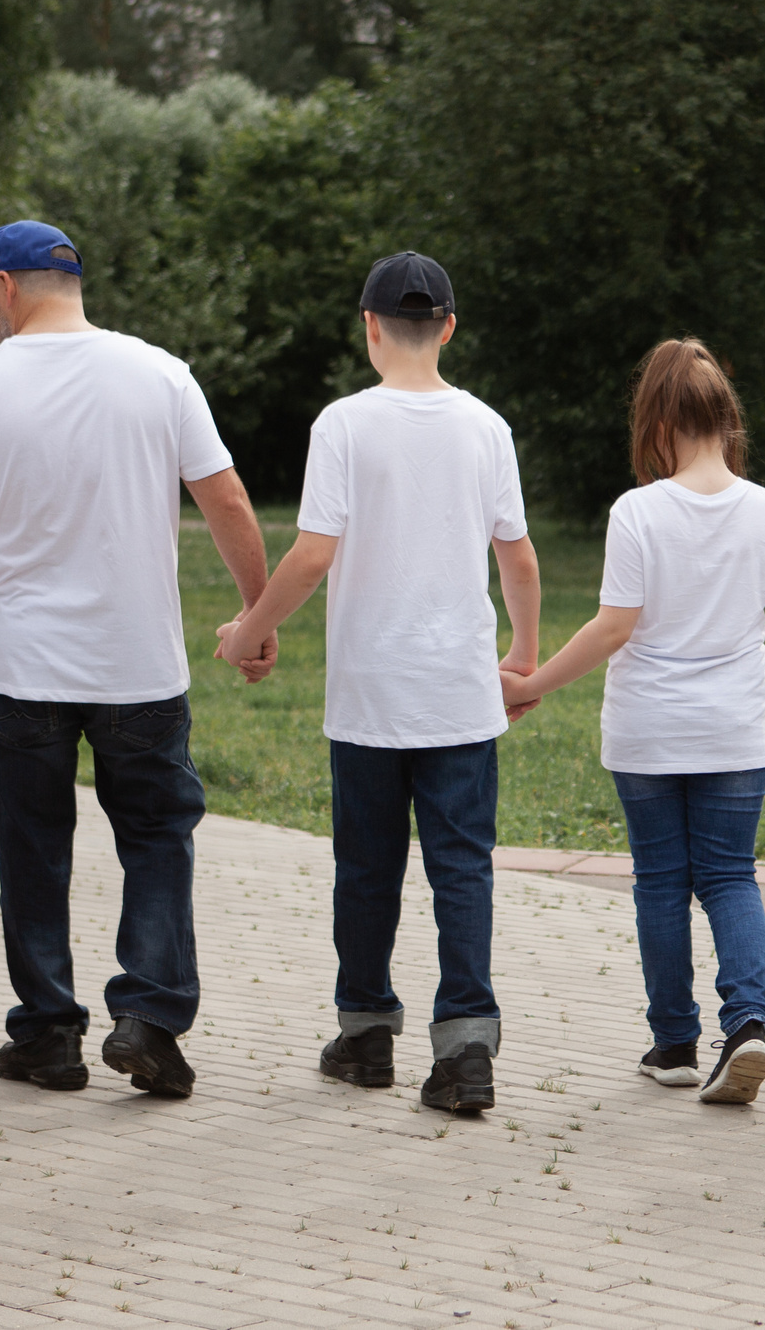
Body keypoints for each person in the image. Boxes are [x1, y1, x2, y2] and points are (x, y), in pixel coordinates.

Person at [0, 221, 272, 1100]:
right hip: (138, 664)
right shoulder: (161, 373)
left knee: (32, 850)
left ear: (3, 287)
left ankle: (47, 1036)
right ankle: (148, 1017)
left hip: (20, 668)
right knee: (156, 838)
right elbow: (223, 495)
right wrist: (258, 615)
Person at [499, 340, 765, 1106]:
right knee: (729, 876)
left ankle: (675, 1042)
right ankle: (746, 1024)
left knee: (660, 883)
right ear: (725, 418)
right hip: (734, 732)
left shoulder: (638, 512)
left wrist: (531, 684)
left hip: (647, 731)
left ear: (659, 421)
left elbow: (614, 628)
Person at [214, 253, 540, 1115]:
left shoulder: (343, 425)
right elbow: (517, 553)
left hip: (369, 696)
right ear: (449, 327)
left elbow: (314, 552)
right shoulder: (487, 427)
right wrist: (526, 652)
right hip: (460, 695)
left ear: (367, 327)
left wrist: (251, 628)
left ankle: (364, 1036)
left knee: (366, 868)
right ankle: (467, 1047)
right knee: (462, 869)